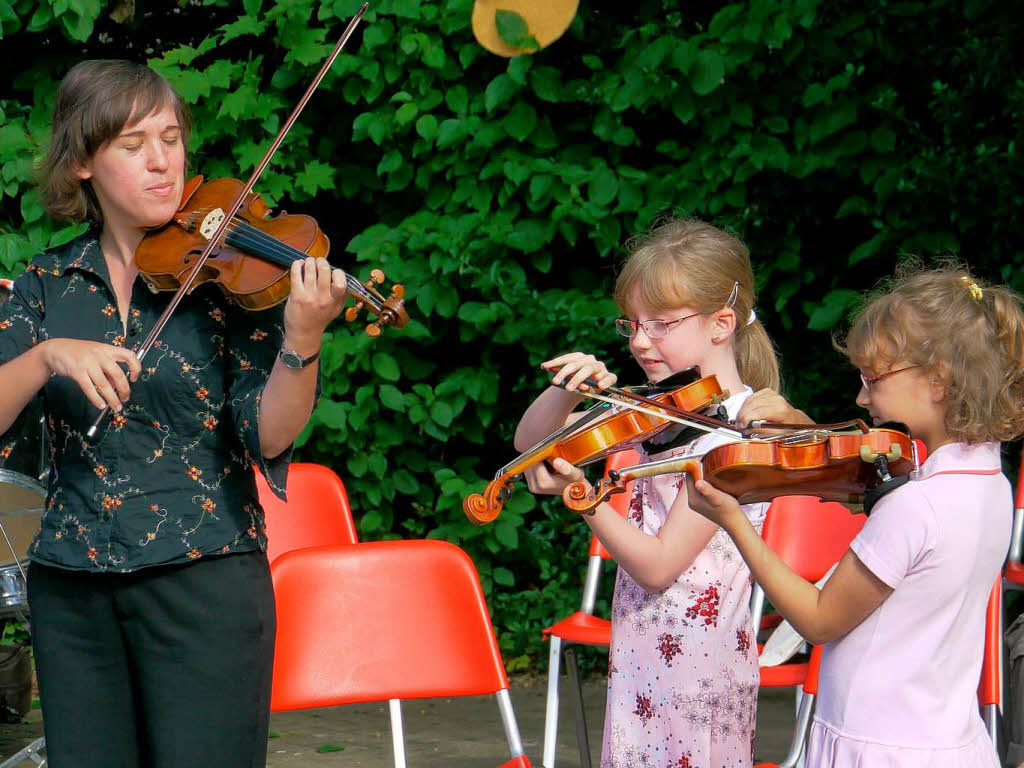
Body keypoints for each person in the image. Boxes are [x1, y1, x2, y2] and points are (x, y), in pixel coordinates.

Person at [0, 60, 348, 767]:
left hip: (204, 579)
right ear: (84, 165)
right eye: (133, 145)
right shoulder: (44, 283)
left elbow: (270, 434)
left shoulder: (228, 282)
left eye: (171, 138)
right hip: (73, 588)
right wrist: (47, 358)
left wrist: (303, 341)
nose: (162, 162)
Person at [687, 265, 1024, 767]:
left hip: (877, 744)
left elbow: (819, 620)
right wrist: (803, 431)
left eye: (873, 379)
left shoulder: (915, 507)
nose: (862, 398)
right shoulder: (992, 486)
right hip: (947, 742)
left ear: (938, 381)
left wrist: (732, 520)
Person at [516, 218, 781, 767]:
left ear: (721, 323)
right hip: (643, 654)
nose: (639, 341)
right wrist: (564, 393)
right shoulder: (659, 410)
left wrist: (585, 497)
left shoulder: (738, 431)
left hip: (698, 671)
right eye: (632, 324)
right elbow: (529, 444)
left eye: (660, 324)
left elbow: (660, 565)